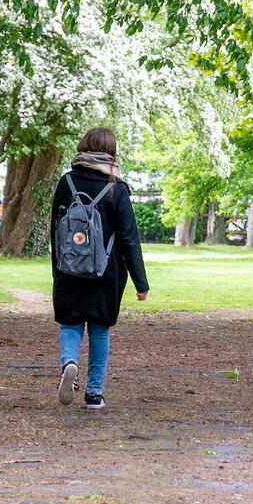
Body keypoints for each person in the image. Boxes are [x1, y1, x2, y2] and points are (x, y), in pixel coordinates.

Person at [51, 127, 149, 411]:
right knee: (99, 330)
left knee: (70, 323)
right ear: (111, 152)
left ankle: (69, 362)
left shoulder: (65, 183)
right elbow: (129, 238)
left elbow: (56, 231)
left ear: (83, 147)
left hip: (68, 268)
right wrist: (140, 283)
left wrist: (57, 270)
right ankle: (94, 394)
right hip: (105, 272)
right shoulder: (116, 187)